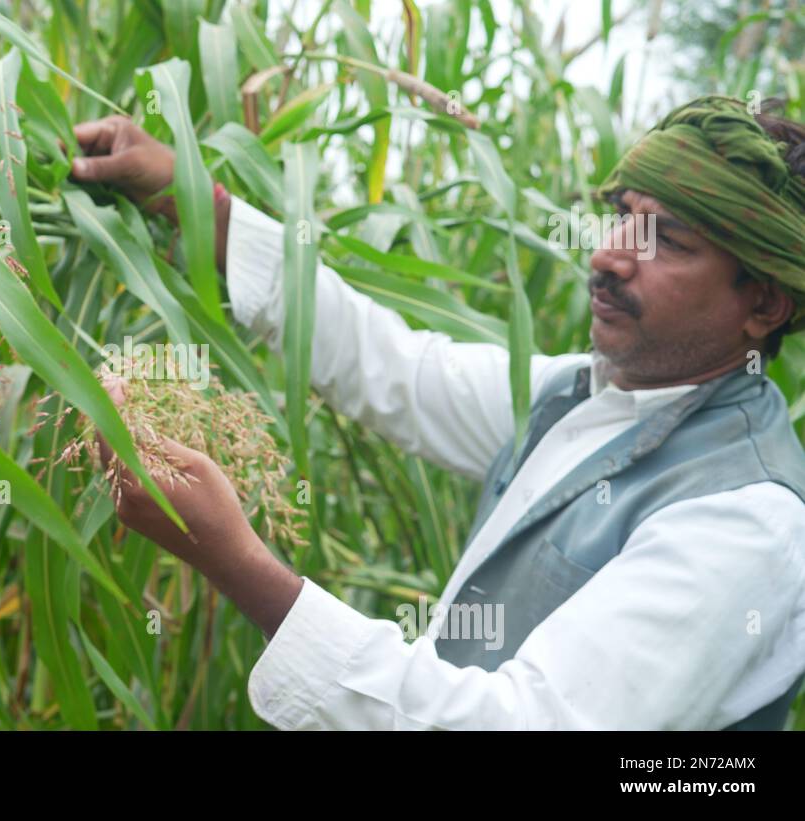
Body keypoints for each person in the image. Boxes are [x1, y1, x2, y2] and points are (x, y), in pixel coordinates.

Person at [72, 95, 805, 730]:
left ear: (764, 303)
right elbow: (391, 364)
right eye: (622, 216)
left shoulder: (747, 521)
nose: (610, 256)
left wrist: (238, 563)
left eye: (669, 240)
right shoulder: (577, 392)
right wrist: (194, 202)